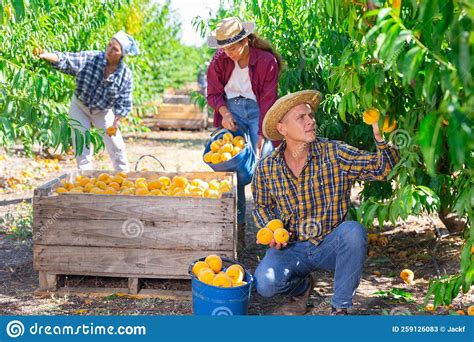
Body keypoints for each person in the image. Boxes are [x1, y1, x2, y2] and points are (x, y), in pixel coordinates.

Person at [252, 90, 401, 315]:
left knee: (353, 232)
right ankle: (303, 287)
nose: (311, 121)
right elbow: (261, 206)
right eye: (301, 117)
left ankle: (340, 308)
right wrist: (271, 228)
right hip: (291, 247)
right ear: (283, 129)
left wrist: (380, 138)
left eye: (310, 116)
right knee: (264, 284)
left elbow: (382, 170)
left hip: (329, 245)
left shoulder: (335, 153)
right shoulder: (267, 167)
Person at [206, 17, 283, 244]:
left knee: (266, 164)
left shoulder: (267, 61)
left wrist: (262, 133)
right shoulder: (220, 60)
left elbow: (269, 99)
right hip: (232, 110)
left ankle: (272, 230)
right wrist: (225, 114)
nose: (228, 52)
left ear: (246, 40)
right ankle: (236, 229)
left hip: (260, 110)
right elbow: (213, 92)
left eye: (233, 47)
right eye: (225, 48)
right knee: (233, 168)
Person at [37, 31, 139, 171]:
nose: (109, 50)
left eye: (115, 49)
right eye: (109, 45)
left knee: (115, 144)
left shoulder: (125, 75)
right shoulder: (92, 58)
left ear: (122, 54)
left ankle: (123, 174)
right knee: (81, 141)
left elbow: (124, 100)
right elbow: (68, 60)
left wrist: (116, 122)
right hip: (80, 106)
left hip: (102, 111)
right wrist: (48, 55)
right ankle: (85, 176)